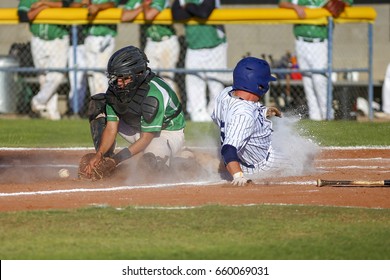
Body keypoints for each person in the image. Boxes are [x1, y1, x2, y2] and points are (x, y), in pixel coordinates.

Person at [83, 45, 186, 177]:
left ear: (138, 74)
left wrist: (116, 161)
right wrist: (100, 154)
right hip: (137, 125)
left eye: (124, 78)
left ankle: (184, 159)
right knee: (99, 106)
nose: (119, 83)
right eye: (116, 77)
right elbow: (111, 128)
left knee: (151, 166)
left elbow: (145, 138)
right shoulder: (115, 90)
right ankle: (105, 160)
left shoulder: (153, 94)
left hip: (165, 132)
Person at [211, 57, 285, 186]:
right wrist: (238, 176)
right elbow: (229, 149)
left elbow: (230, 114)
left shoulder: (225, 93)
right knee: (304, 157)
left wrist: (263, 111)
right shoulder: (244, 115)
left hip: (241, 157)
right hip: (261, 165)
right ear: (260, 85)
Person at [278, 0, 353, 121]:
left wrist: (342, 3)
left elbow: (349, 2)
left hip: (320, 42)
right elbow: (282, 3)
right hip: (300, 41)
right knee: (307, 80)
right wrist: (295, 7)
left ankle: (328, 115)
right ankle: (315, 117)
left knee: (319, 79)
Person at [171, 0, 228, 122]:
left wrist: (188, 7)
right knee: (194, 83)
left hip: (215, 46)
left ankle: (215, 115)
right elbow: (177, 15)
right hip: (193, 46)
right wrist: (193, 9)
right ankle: (198, 117)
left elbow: (204, 12)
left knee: (216, 84)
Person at [18, 0, 70, 120]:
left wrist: (44, 3)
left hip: (58, 39)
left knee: (57, 75)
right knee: (43, 78)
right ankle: (51, 113)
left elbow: (68, 4)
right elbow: (23, 16)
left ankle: (37, 101)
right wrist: (41, 8)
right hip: (38, 39)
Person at [121, 0, 180, 93]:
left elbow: (149, 16)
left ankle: (171, 104)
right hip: (151, 42)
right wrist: (143, 6)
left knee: (167, 77)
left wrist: (142, 7)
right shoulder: (137, 2)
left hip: (167, 41)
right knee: (148, 77)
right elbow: (124, 17)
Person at [79, 0, 119, 97]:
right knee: (90, 73)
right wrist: (84, 4)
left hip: (105, 36)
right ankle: (96, 104)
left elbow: (113, 3)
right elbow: (73, 5)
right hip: (89, 36)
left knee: (100, 73)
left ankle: (103, 104)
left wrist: (98, 7)